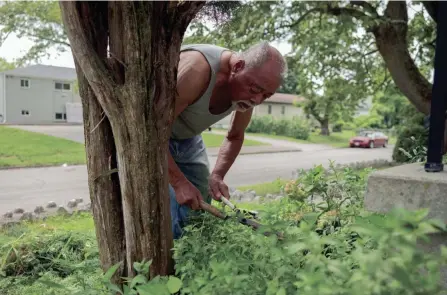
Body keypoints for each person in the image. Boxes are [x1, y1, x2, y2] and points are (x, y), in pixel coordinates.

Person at [169, 41, 287, 239]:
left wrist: (217, 175)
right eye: (255, 89)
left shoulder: (249, 88)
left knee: (200, 198)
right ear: (238, 67)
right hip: (152, 137)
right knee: (166, 204)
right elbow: (150, 133)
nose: (257, 100)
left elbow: (235, 135)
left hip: (188, 138)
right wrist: (178, 182)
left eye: (266, 95)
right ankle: (162, 263)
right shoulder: (196, 70)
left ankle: (191, 253)